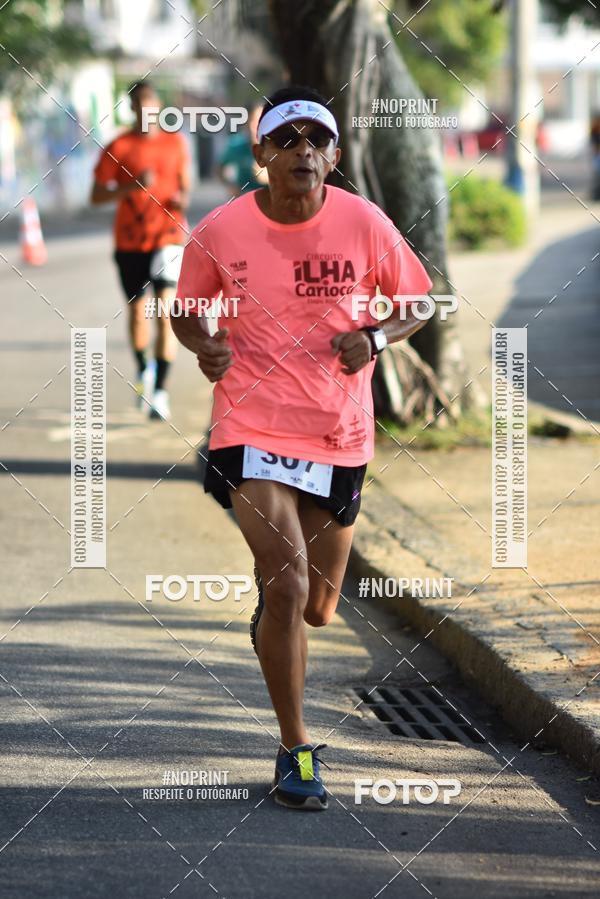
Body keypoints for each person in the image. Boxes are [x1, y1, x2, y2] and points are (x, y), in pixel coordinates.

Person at [172, 86, 432, 810]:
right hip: (250, 425)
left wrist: (375, 336)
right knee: (284, 583)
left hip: (338, 432)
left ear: (334, 156)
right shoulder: (222, 230)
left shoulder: (364, 222)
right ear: (261, 154)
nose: (303, 152)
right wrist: (206, 345)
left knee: (318, 605)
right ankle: (295, 749)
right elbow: (185, 311)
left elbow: (419, 299)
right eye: (287, 141)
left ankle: (277, 618)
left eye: (317, 141)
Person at [90, 79, 190, 421]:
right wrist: (131, 186)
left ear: (158, 108)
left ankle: (160, 391)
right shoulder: (118, 146)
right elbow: (96, 196)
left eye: (152, 107)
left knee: (165, 312)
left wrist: (181, 199)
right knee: (137, 313)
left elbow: (184, 186)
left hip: (168, 235)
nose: (147, 113)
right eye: (140, 107)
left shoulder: (175, 143)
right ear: (132, 109)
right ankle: (143, 368)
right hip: (130, 241)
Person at [217, 104, 266, 197]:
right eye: (251, 121)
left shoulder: (277, 145)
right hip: (245, 199)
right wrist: (231, 186)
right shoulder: (236, 144)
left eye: (258, 122)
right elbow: (219, 168)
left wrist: (269, 176)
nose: (253, 127)